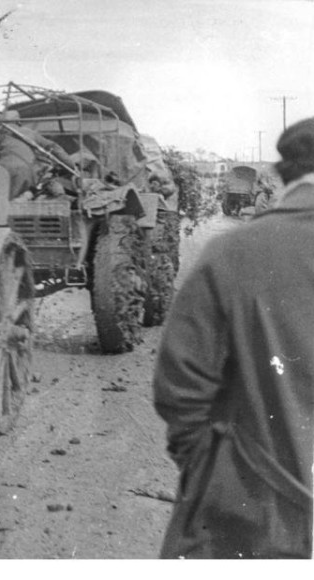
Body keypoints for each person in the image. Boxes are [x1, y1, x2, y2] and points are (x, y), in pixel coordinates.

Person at [151, 118, 314, 558]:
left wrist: (211, 471)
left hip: (256, 508)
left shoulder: (233, 253)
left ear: (283, 176)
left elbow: (180, 384)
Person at [0, 110, 74, 200]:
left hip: (4, 171)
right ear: (18, 122)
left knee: (5, 198)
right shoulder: (31, 133)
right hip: (29, 172)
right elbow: (54, 147)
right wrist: (70, 165)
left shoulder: (0, 132)